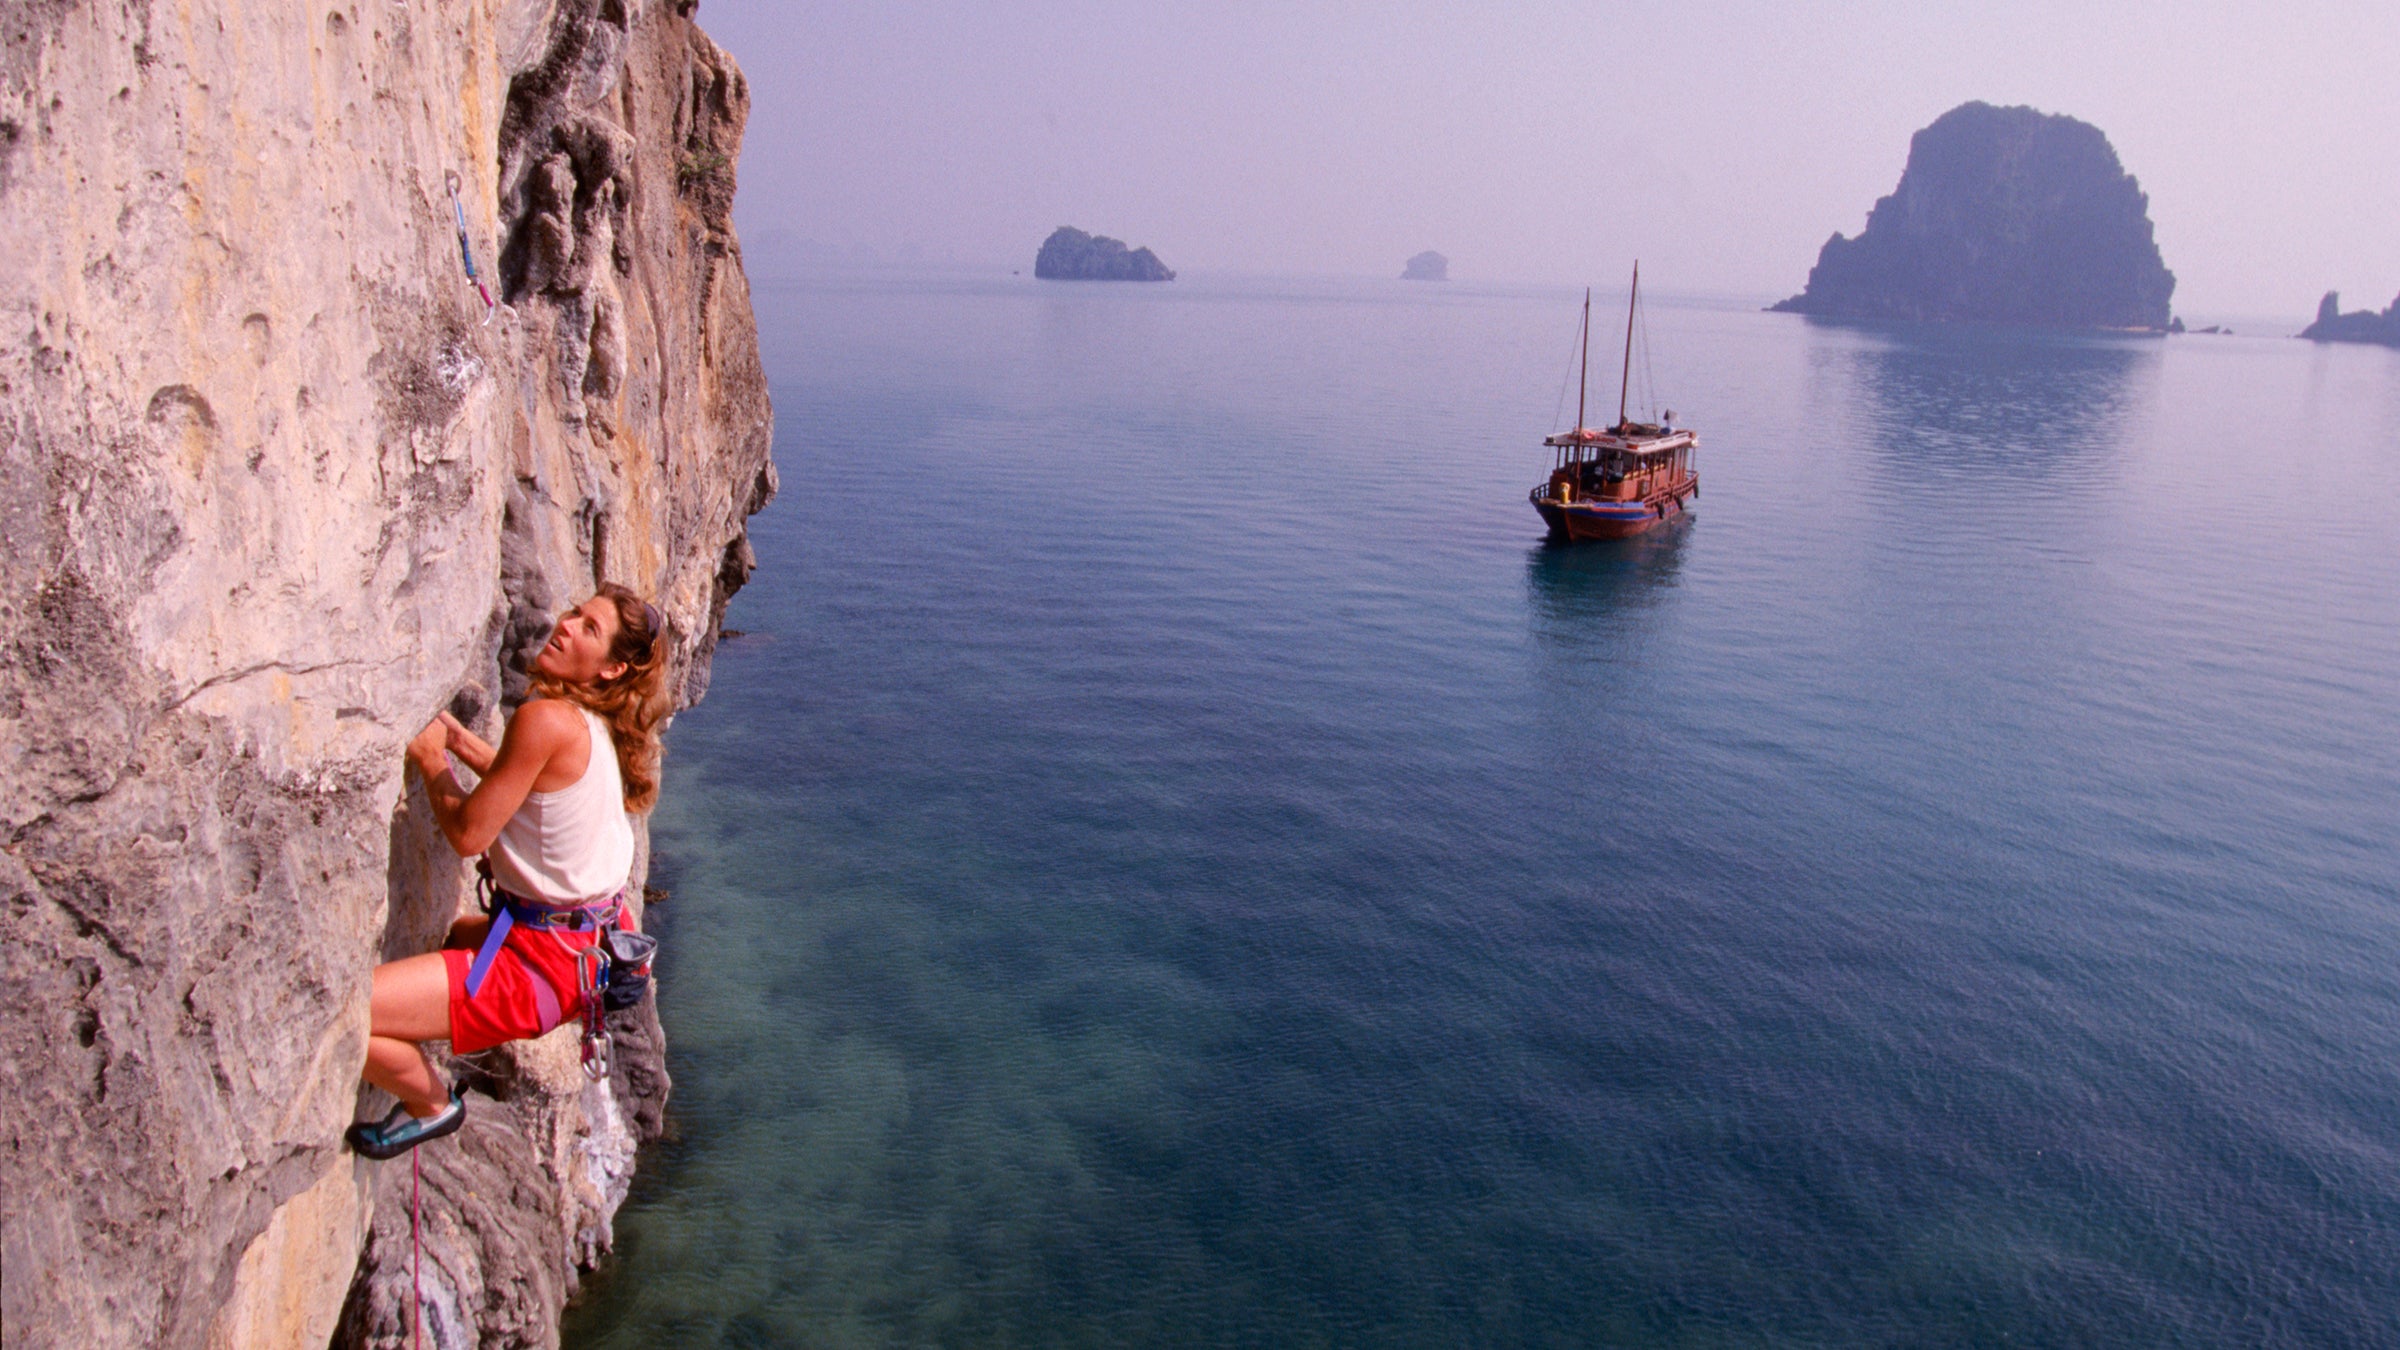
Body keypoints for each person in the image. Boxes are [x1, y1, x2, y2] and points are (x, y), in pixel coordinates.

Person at [347, 584, 667, 1160]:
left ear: (611, 668)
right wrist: (462, 742)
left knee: (347, 1012)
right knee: (453, 936)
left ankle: (432, 1105)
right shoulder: (592, 725)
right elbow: (525, 782)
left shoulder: (546, 718)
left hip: (539, 967)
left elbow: (471, 833)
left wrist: (429, 759)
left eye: (589, 629)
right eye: (575, 614)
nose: (566, 626)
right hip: (580, 955)